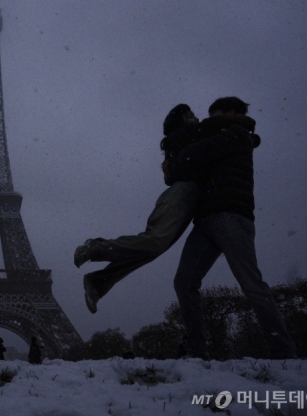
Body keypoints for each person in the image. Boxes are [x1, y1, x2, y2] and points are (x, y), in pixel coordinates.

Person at [74, 104, 256, 313]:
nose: (195, 118)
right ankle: (95, 248)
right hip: (184, 192)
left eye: (193, 114)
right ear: (178, 123)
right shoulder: (189, 134)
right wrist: (244, 123)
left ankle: (99, 282)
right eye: (188, 115)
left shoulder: (191, 136)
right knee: (155, 242)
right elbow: (216, 130)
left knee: (152, 249)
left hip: (192, 202)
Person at [168, 96, 296, 360]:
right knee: (184, 282)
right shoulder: (227, 135)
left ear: (229, 113)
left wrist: (178, 141)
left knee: (250, 284)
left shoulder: (236, 134)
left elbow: (191, 157)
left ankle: (284, 353)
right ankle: (196, 353)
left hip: (229, 216)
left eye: (213, 114)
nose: (207, 119)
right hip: (207, 219)